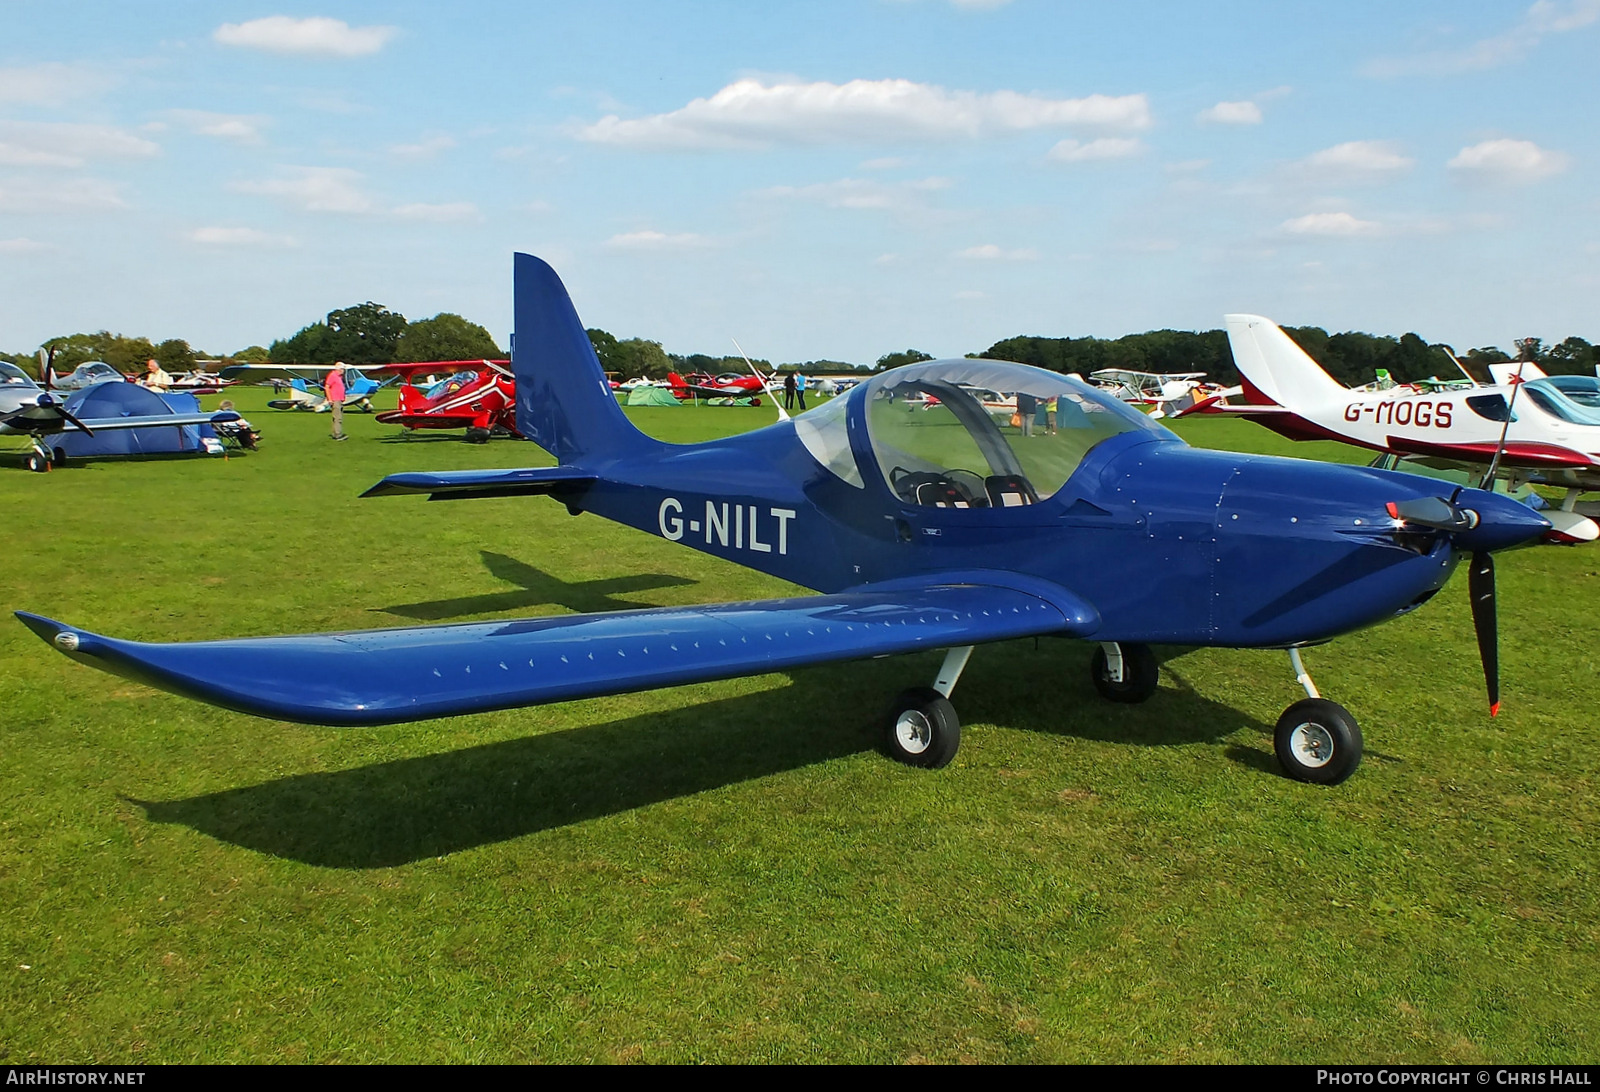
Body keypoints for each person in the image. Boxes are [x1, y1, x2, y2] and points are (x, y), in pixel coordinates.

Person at [325, 361, 348, 441]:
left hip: (340, 400)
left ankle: (336, 433)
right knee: (338, 418)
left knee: (338, 417)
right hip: (335, 399)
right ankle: (338, 435)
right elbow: (327, 387)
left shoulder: (339, 377)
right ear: (339, 369)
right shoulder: (332, 376)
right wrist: (330, 399)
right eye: (342, 369)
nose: (343, 371)